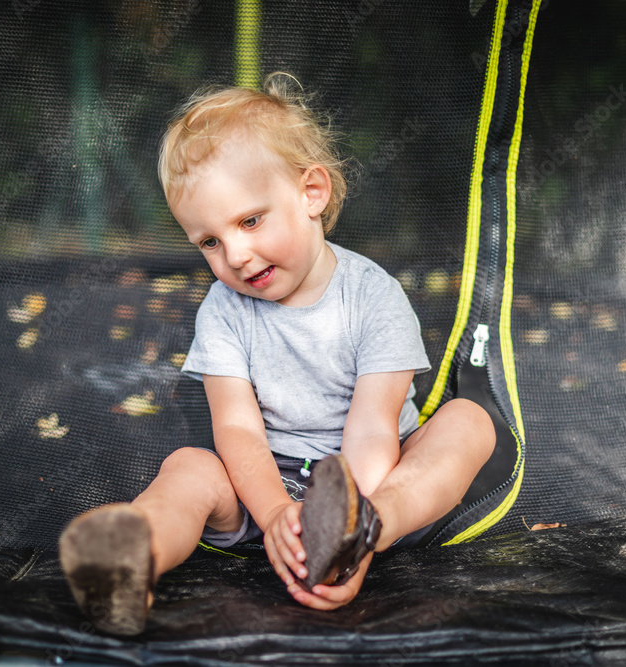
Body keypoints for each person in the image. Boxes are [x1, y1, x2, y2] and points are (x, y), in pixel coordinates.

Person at [59, 73, 496, 636]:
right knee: (190, 470)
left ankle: (372, 527)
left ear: (311, 192)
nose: (235, 255)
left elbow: (371, 427)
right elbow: (237, 431)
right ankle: (130, 557)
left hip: (378, 480)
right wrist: (271, 516)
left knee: (468, 423)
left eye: (249, 221)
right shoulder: (223, 311)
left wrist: (342, 533)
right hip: (272, 478)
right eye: (210, 242)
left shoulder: (373, 295)